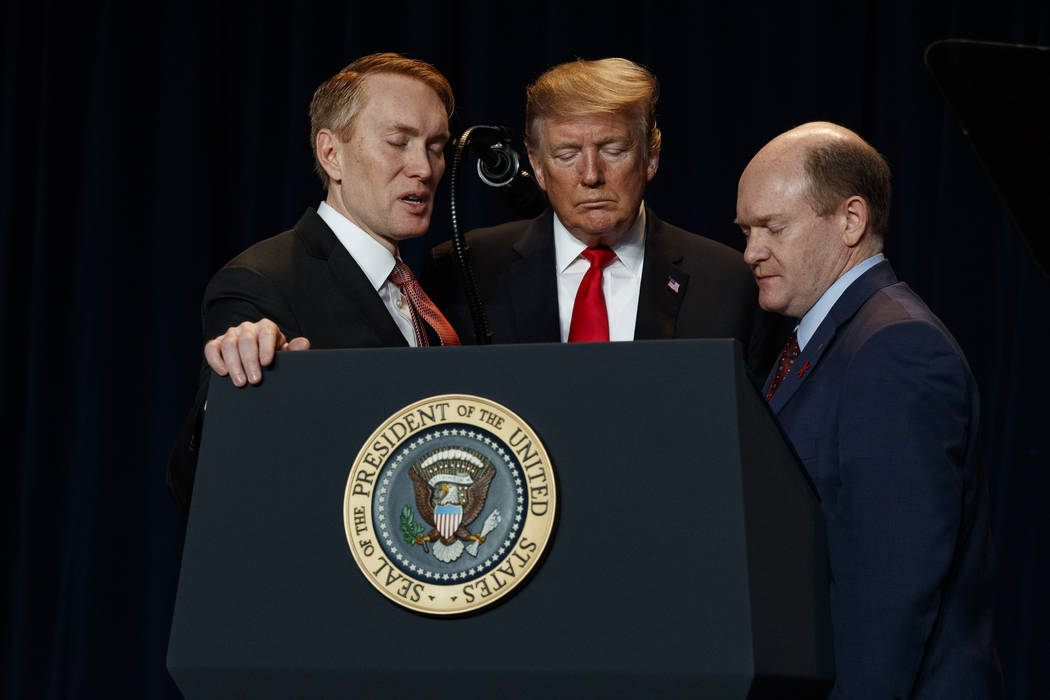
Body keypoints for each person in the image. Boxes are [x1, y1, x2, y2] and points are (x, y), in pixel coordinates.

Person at [735, 122, 1001, 698]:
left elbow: (890, 594)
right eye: (747, 230)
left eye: (772, 227)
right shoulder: (833, 337)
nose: (752, 252)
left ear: (851, 221)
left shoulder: (896, 348)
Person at [166, 53, 459, 512]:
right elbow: (198, 481)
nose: (423, 168)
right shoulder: (262, 282)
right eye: (399, 142)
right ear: (331, 154)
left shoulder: (427, 290)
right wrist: (234, 388)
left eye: (436, 147)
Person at [425, 58, 779, 371]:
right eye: (567, 154)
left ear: (651, 157)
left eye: (613, 150)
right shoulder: (463, 270)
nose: (591, 175)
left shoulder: (728, 283)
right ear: (537, 166)